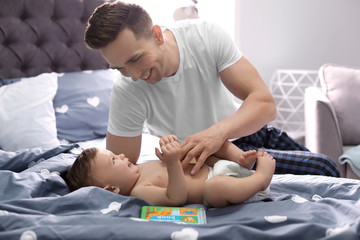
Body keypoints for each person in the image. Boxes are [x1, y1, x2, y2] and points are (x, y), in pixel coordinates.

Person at [84, 1, 340, 177]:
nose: (134, 76)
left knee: (330, 171)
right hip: (205, 161)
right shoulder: (126, 88)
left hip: (248, 133)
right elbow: (120, 165)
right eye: (120, 68)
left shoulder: (205, 36)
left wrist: (215, 133)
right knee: (325, 169)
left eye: (136, 59)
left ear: (158, 36)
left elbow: (264, 104)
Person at [66, 135, 276, 207]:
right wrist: (173, 163)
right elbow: (175, 197)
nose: (121, 156)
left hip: (218, 167)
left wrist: (171, 148)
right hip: (225, 188)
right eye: (113, 160)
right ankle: (260, 178)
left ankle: (239, 161)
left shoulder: (141, 168)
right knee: (214, 188)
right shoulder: (139, 191)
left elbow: (182, 161)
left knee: (206, 142)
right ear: (112, 188)